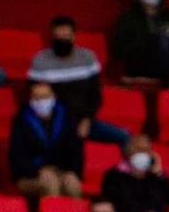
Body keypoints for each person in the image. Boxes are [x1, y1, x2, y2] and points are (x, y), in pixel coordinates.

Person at [28, 17, 124, 145]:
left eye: (66, 36)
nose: (62, 39)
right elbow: (35, 97)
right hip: (53, 123)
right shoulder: (40, 61)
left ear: (74, 36)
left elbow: (95, 95)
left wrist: (87, 120)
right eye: (58, 36)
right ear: (52, 37)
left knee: (126, 138)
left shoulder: (88, 58)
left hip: (84, 120)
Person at [8, 81, 85, 201]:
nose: (40, 101)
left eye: (44, 97)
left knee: (72, 183)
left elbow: (75, 150)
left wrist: (70, 172)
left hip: (61, 171)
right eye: (36, 97)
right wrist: (37, 171)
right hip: (30, 175)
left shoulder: (66, 118)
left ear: (53, 97)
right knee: (50, 182)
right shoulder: (21, 121)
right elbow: (17, 156)